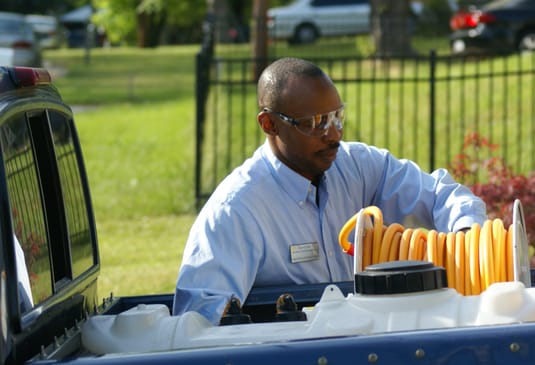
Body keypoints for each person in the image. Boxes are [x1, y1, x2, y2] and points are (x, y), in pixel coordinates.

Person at [173, 57, 487, 325]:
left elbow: (441, 195)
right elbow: (200, 317)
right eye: (314, 122)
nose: (333, 134)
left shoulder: (357, 165)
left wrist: (468, 241)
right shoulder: (236, 209)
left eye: (337, 116)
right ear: (269, 124)